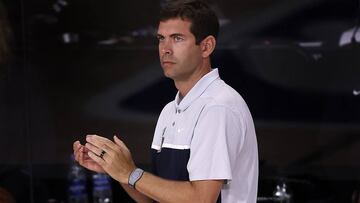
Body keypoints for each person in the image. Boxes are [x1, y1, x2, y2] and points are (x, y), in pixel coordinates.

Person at [73, 0, 258, 202]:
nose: (165, 49)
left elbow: (202, 199)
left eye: (177, 38)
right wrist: (117, 170)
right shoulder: (170, 110)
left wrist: (131, 174)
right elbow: (158, 198)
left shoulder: (217, 107)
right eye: (161, 39)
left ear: (206, 46)